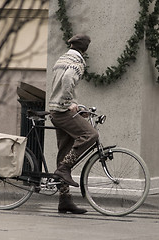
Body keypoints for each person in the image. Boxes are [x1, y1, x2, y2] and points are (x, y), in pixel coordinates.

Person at [48, 34, 99, 214]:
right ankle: (64, 169)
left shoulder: (61, 59)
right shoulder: (77, 61)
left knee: (63, 151)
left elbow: (60, 83)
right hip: (62, 111)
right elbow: (68, 79)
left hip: (55, 111)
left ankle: (64, 200)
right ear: (84, 49)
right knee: (91, 135)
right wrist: (69, 103)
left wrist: (77, 107)